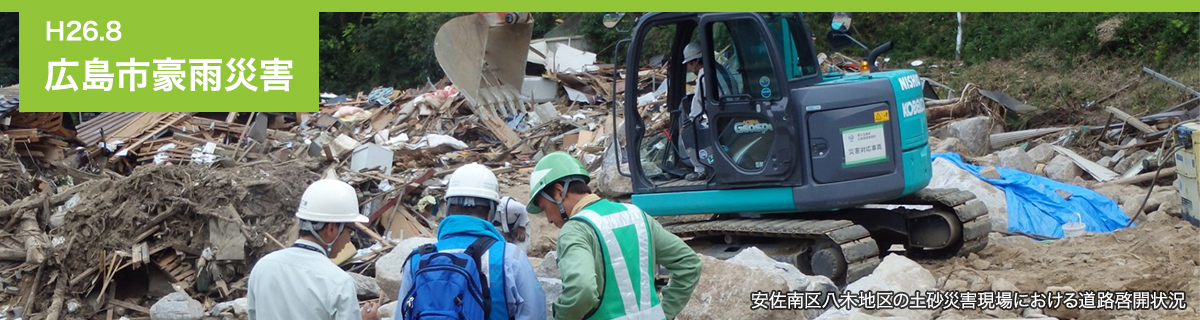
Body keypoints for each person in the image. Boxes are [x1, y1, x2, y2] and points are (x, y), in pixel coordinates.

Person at [526, 152, 702, 320]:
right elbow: (689, 264)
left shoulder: (575, 230)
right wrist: (665, 313)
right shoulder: (636, 215)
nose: (548, 219)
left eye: (544, 208)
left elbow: (582, 288)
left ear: (558, 191)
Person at [396, 163, 546, 320]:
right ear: (491, 212)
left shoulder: (416, 260)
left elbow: (402, 315)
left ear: (447, 207)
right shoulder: (509, 257)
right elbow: (534, 313)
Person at [247, 179, 379, 320]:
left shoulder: (263, 266)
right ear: (331, 229)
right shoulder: (338, 282)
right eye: (350, 231)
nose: (349, 239)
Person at [680, 41, 710, 181]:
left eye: (689, 64)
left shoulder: (704, 75)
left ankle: (701, 169)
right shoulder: (717, 69)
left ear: (693, 61)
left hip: (716, 117)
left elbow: (698, 102)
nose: (689, 67)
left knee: (688, 132)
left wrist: (691, 120)